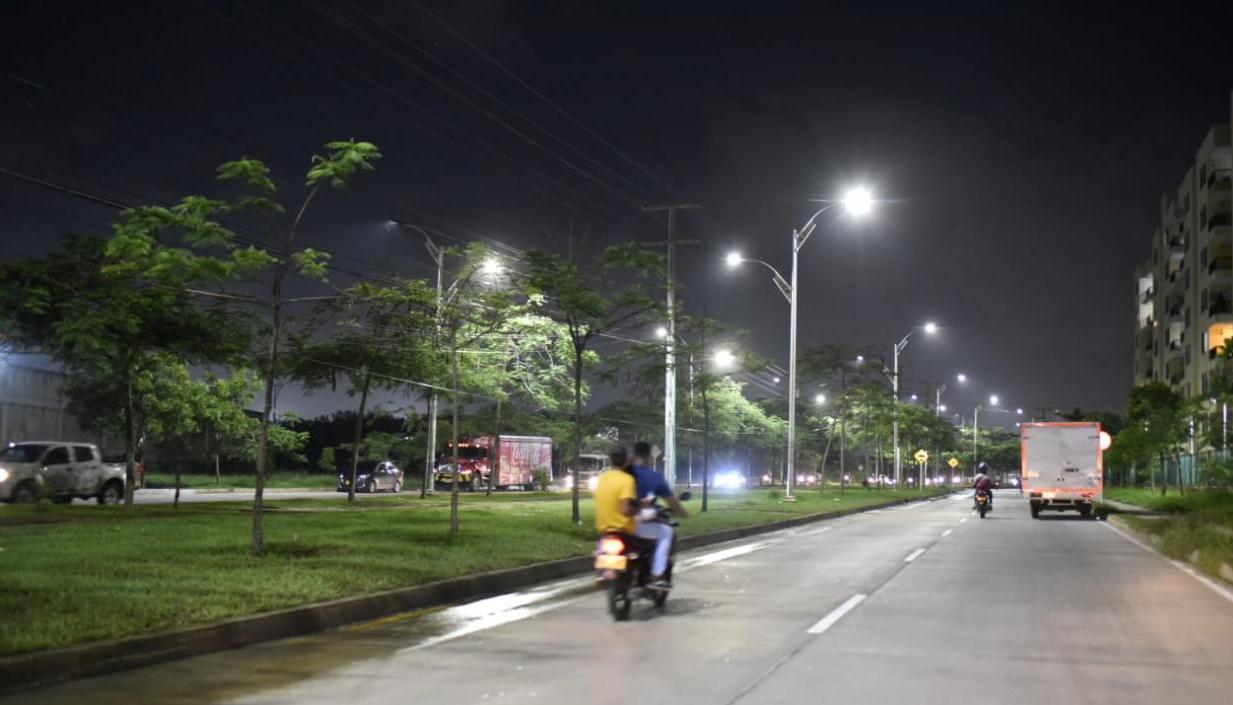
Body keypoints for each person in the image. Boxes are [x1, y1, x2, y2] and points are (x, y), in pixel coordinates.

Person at [629, 441, 688, 589]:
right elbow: (672, 503)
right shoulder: (654, 477)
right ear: (649, 457)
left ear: (633, 455)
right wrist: (681, 512)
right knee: (666, 533)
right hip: (640, 523)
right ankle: (657, 576)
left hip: (619, 523)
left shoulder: (622, 474)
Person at [593, 446, 639, 536]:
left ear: (610, 460)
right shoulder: (627, 479)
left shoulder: (602, 478)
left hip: (605, 532)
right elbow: (625, 510)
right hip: (624, 532)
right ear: (626, 461)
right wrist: (639, 509)